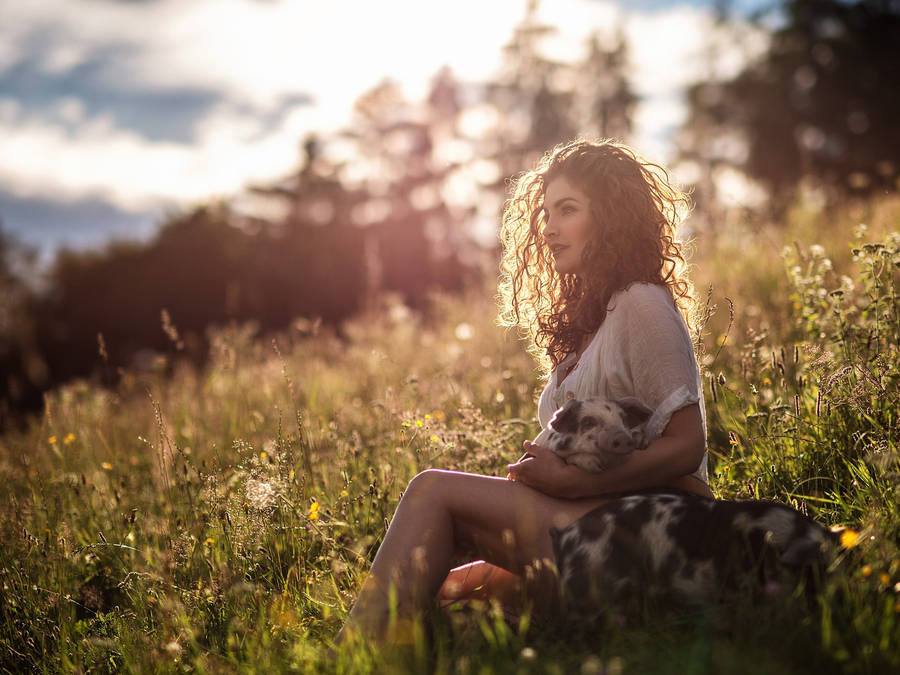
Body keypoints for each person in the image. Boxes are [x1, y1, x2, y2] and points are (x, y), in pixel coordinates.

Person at [336, 139, 713, 644]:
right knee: (454, 598)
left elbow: (689, 445)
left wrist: (577, 485)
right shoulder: (592, 325)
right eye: (545, 214)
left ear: (612, 216)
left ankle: (341, 661)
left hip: (647, 531)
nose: (550, 228)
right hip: (585, 522)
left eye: (568, 210)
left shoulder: (641, 304)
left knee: (433, 489)